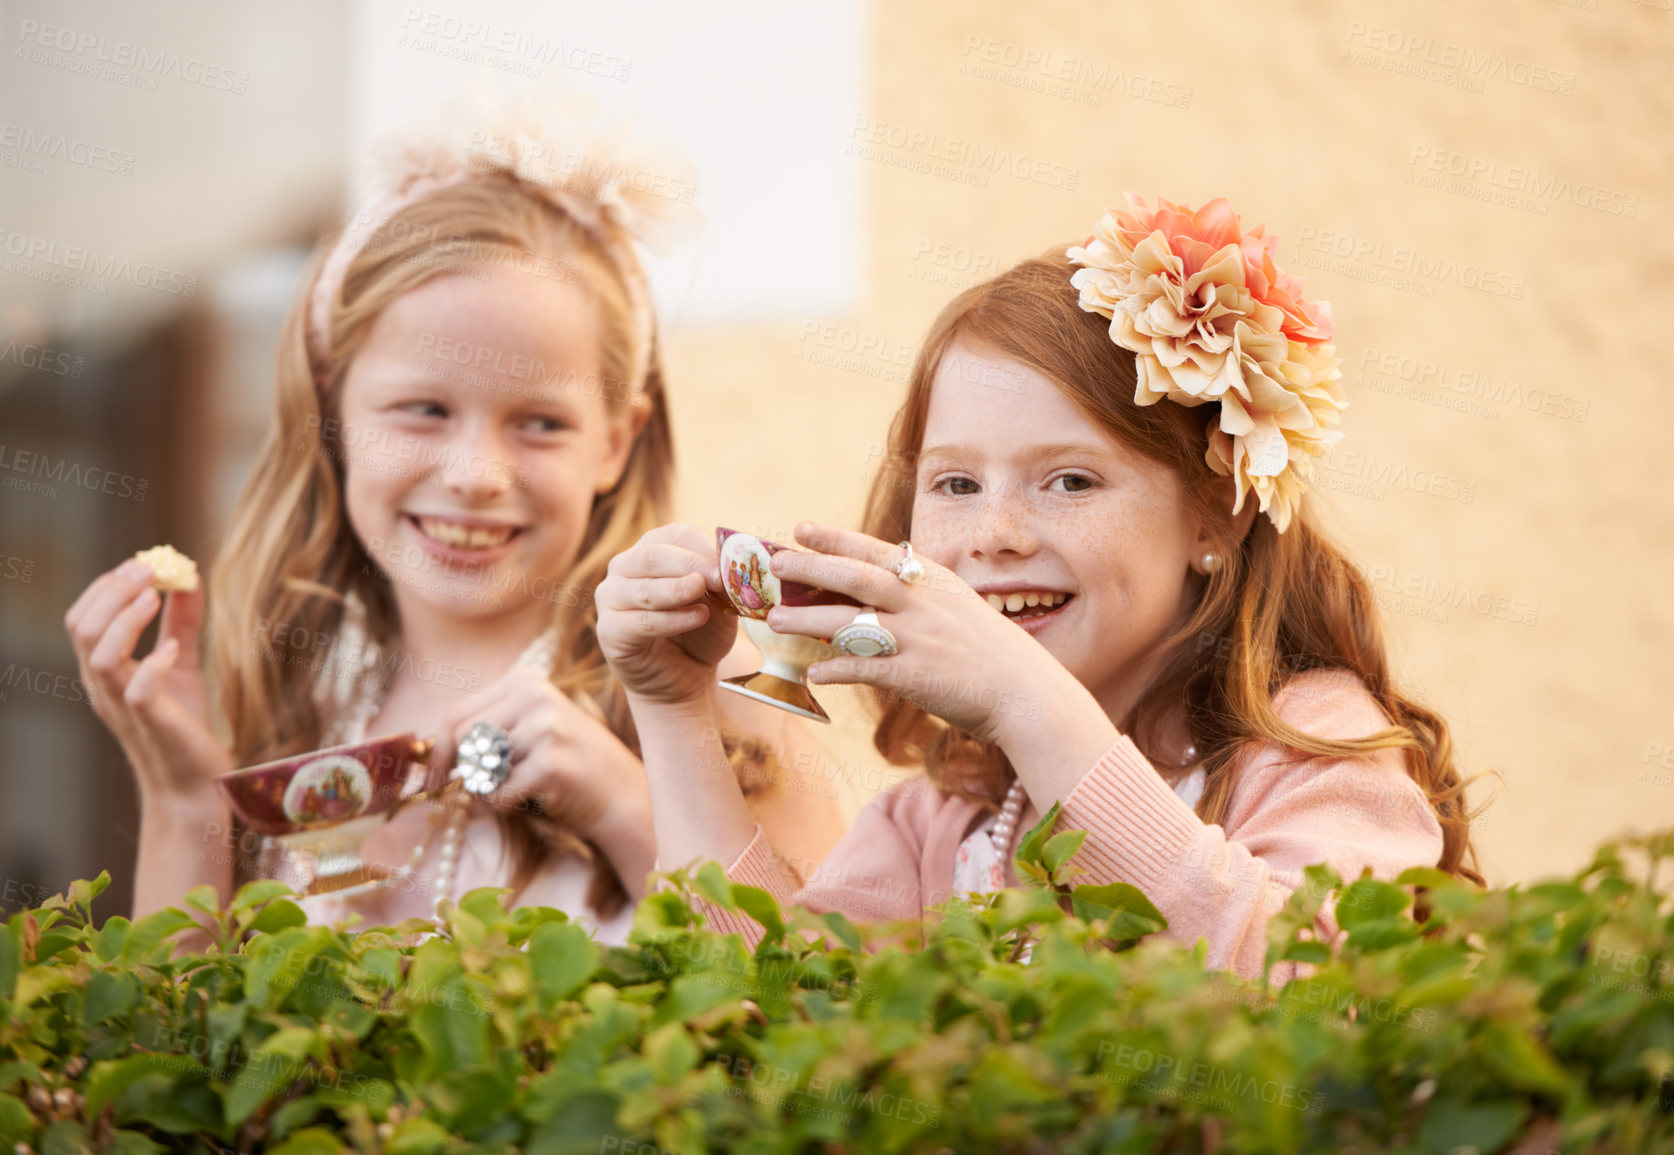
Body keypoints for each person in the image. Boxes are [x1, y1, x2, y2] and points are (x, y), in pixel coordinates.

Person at [597, 193, 1485, 980]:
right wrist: (672, 710)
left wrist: (1028, 701)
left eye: (1068, 481)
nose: (995, 534)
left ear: (1216, 514)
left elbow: (1309, 993)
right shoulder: (947, 822)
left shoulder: (1315, 747)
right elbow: (767, 1018)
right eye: (954, 484)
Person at [63, 86, 843, 942]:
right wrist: (184, 802)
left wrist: (626, 804)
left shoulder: (716, 708)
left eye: (541, 422)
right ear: (333, 406)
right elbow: (167, 1065)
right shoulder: (284, 711)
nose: (476, 474)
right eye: (424, 410)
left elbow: (813, 1020)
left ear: (617, 442)